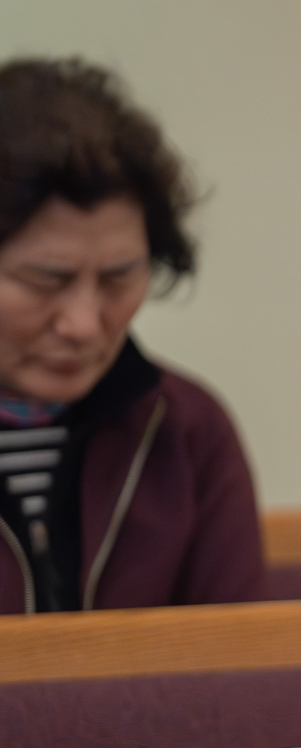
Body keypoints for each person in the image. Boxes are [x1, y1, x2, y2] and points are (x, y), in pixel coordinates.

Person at [0, 57, 263, 614]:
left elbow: (238, 658)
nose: (83, 324)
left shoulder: (186, 432)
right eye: (45, 280)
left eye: (119, 278)